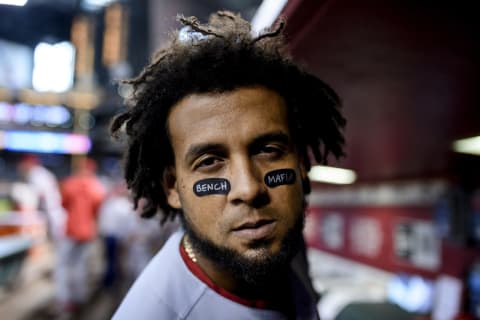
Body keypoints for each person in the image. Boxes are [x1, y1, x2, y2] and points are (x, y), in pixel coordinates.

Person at [111, 11, 346, 320]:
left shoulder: (280, 242)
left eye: (268, 150)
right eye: (210, 161)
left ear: (300, 162)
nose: (249, 189)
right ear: (173, 188)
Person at [57, 157, 106, 313]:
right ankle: (79, 298)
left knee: (63, 266)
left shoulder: (70, 183)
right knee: (80, 266)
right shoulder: (97, 186)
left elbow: (63, 204)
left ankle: (65, 300)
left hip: (71, 230)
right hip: (87, 232)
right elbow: (98, 210)